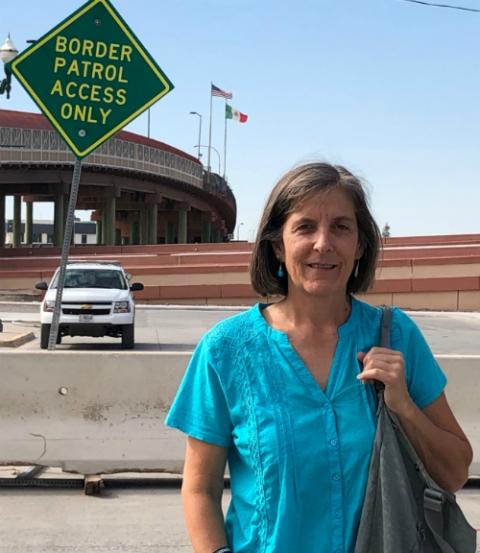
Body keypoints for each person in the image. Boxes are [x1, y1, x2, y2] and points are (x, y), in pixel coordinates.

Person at [165, 162, 473, 553]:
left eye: (341, 227)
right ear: (278, 244)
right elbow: (199, 489)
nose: (323, 243)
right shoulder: (226, 349)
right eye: (305, 226)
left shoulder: (397, 336)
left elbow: (455, 472)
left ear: (360, 245)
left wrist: (405, 408)